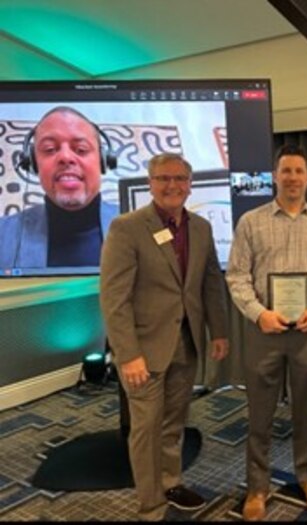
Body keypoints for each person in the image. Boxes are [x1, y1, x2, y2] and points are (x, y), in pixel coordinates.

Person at [99, 152, 229, 521]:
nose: (172, 185)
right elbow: (114, 297)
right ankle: (151, 504)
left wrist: (217, 331)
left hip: (186, 344)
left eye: (179, 179)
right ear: (150, 183)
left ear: (190, 185)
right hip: (143, 350)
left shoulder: (201, 227)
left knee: (174, 422)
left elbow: (210, 283)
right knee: (145, 429)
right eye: (163, 179)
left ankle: (171, 481)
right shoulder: (126, 227)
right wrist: (127, 354)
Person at [225, 144, 307, 521]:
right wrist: (258, 314)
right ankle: (257, 485)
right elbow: (237, 276)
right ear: (275, 176)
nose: (292, 177)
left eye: (298, 171)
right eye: (285, 170)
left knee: (306, 407)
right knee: (260, 411)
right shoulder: (251, 222)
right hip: (264, 331)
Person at [0, 106, 118, 268]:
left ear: (104, 161)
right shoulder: (3, 235)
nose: (65, 157)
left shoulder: (145, 227)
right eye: (50, 149)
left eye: (81, 149)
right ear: (33, 163)